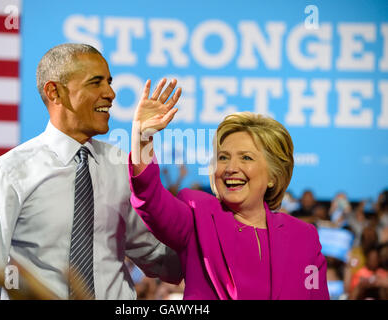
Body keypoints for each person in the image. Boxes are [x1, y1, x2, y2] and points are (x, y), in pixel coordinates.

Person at [0, 43, 182, 300]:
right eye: (96, 83)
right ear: (55, 92)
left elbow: (157, 256)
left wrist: (217, 242)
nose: (111, 93)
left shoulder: (120, 166)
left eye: (109, 81)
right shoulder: (10, 172)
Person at [129, 100, 330, 299]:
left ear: (272, 176)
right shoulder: (197, 215)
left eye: (246, 158)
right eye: (223, 157)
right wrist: (143, 138)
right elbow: (150, 197)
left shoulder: (303, 237)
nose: (231, 168)